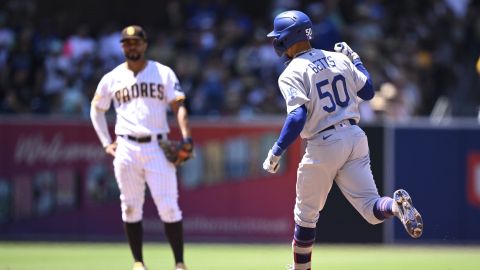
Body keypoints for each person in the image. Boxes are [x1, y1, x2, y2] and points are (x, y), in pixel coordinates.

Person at [262, 11, 423, 270]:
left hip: (323, 142)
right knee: (372, 209)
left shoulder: (291, 72)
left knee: (305, 218)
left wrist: (276, 151)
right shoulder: (338, 58)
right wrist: (356, 60)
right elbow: (368, 91)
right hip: (355, 136)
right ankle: (395, 206)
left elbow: (297, 116)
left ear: (286, 38)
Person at [90, 25, 192, 270]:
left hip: (158, 145)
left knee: (169, 207)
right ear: (122, 46)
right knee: (130, 205)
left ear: (145, 44)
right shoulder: (112, 77)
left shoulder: (163, 73)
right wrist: (106, 142)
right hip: (125, 146)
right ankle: (138, 263)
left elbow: (179, 106)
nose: (131, 45)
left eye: (136, 41)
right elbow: (96, 109)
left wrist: (187, 136)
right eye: (127, 42)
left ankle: (179, 264)